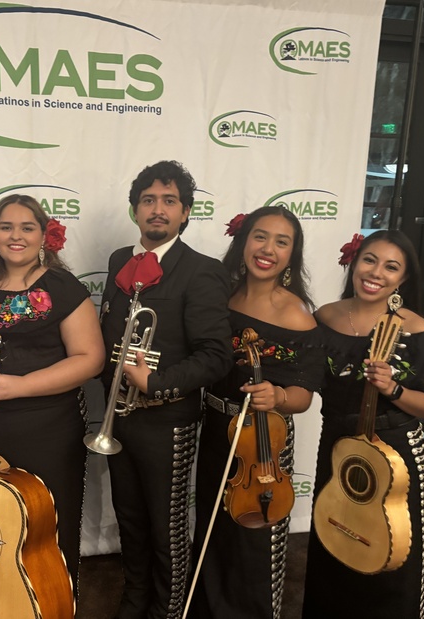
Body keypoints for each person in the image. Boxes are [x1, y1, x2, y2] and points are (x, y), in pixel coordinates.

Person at [98, 160, 233, 619]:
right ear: (136, 209)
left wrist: (156, 382)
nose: (158, 209)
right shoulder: (121, 261)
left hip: (168, 422)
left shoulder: (201, 271)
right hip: (121, 419)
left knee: (167, 529)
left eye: (169, 201)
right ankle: (135, 602)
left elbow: (216, 355)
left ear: (186, 212)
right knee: (131, 523)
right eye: (149, 200)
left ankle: (169, 611)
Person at [0, 194, 104, 593]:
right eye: (6, 227)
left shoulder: (61, 287)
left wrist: (20, 386)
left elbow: (90, 359)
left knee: (42, 532)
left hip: (44, 431)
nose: (15, 236)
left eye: (26, 227)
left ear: (44, 236)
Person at [188, 206, 325, 619]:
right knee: (213, 528)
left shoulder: (296, 313)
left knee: (253, 540)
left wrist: (279, 397)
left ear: (292, 255)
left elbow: (305, 395)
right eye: (260, 237)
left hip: (264, 440)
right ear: (243, 241)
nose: (268, 249)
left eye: (282, 242)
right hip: (216, 428)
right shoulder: (221, 295)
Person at [302, 230, 424, 618]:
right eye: (369, 260)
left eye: (391, 267)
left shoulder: (416, 330)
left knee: (391, 554)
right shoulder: (325, 317)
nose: (376, 273)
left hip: (395, 452)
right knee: (333, 541)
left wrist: (393, 388)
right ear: (354, 262)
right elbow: (304, 379)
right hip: (337, 444)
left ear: (403, 280)